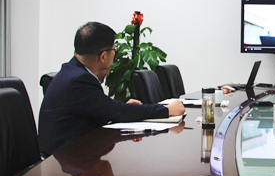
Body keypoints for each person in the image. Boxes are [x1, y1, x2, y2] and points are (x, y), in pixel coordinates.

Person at [38, 22, 185, 156]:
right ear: (103, 57)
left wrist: (119, 109)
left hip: (71, 154)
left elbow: (103, 109)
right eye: (114, 49)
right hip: (65, 159)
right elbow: (118, 111)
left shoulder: (72, 71)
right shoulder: (79, 80)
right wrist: (166, 110)